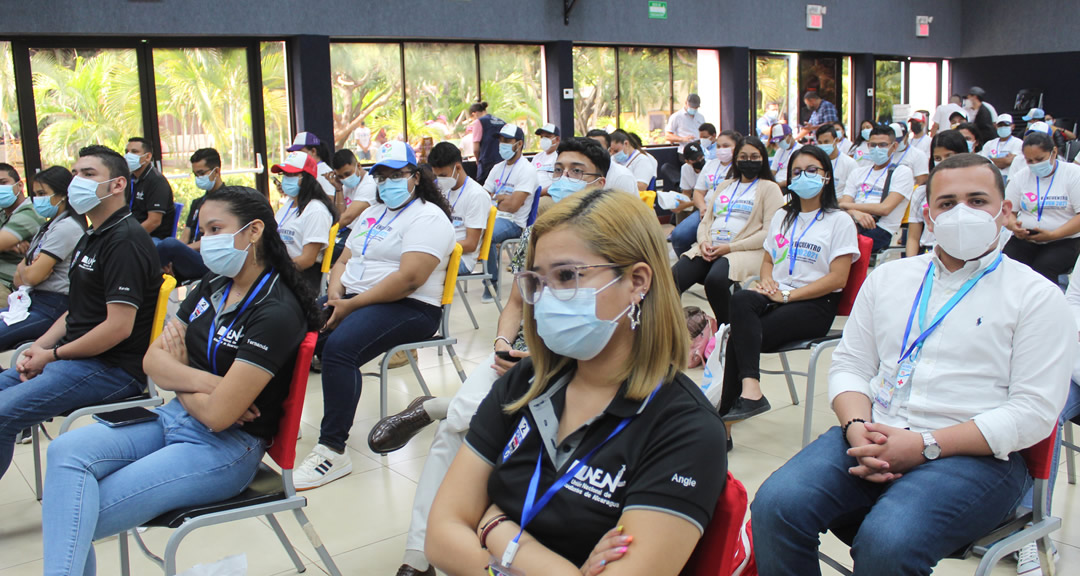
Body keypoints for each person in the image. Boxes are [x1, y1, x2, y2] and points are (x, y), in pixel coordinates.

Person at [751, 153, 1074, 576]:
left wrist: (924, 446)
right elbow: (850, 363)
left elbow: (1033, 413)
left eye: (978, 201)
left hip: (976, 457)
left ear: (1005, 210)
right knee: (775, 505)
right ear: (928, 215)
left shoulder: (1035, 296)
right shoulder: (891, 279)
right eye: (947, 203)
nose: (962, 213)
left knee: (888, 542)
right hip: (873, 430)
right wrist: (856, 427)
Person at [426, 188, 727, 576]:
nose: (548, 298)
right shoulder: (526, 382)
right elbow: (441, 536)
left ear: (637, 281)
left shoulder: (685, 428)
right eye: (539, 281)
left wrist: (495, 527)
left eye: (567, 276)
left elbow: (464, 530)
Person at [41, 185, 315, 576]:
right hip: (176, 420)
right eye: (202, 231)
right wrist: (208, 383)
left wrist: (183, 380)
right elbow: (153, 360)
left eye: (216, 228)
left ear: (254, 231)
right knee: (64, 452)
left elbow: (220, 418)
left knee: (74, 511)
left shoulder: (275, 309)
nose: (205, 241)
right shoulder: (214, 284)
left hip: (224, 448)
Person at [372, 137, 611, 576]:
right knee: (454, 436)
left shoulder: (615, 242)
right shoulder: (538, 233)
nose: (562, 180)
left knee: (461, 420)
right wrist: (502, 345)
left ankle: (437, 407)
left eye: (576, 172)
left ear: (600, 184)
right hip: (521, 353)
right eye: (558, 170)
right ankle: (417, 557)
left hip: (574, 356)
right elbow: (517, 306)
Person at [292, 142, 455, 490]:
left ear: (415, 176)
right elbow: (342, 261)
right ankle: (278, 423)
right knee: (290, 330)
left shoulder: (429, 217)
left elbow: (409, 279)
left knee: (339, 348)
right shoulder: (372, 213)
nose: (387, 183)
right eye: (381, 176)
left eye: (397, 175)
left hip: (410, 307)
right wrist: (336, 293)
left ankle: (332, 450)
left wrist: (352, 305)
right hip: (352, 299)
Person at [0, 145, 162, 481]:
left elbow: (117, 328)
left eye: (88, 175)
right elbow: (77, 307)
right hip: (76, 359)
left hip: (111, 369)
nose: (77, 182)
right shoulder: (93, 235)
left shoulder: (125, 240)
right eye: (75, 174)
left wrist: (53, 355)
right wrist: (40, 347)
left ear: (117, 185)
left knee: (3, 414)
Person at [719, 145, 859, 425]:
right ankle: (749, 393)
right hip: (777, 295)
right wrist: (768, 279)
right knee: (741, 300)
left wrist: (788, 295)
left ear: (827, 177)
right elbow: (768, 261)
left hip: (815, 304)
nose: (803, 176)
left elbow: (838, 279)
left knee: (740, 336)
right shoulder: (783, 216)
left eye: (812, 170)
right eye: (797, 171)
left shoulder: (840, 221)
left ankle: (725, 423)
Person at [672, 137, 783, 324]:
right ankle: (673, 333)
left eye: (754, 156)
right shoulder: (725, 185)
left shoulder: (769, 188)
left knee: (715, 281)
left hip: (745, 250)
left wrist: (730, 247)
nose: (748, 161)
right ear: (736, 159)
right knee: (672, 279)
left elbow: (769, 233)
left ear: (763, 159)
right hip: (710, 247)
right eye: (743, 156)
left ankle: (728, 332)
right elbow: (706, 221)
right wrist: (704, 242)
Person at [0, 167, 83, 350]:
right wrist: (29, 268)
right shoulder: (46, 227)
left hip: (53, 307)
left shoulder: (67, 227)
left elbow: (30, 277)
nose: (37, 200)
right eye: (36, 194)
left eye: (42, 194)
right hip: (30, 299)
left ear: (62, 195)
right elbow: (19, 277)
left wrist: (28, 268)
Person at [1003, 132, 1080, 282]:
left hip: (1065, 239)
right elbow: (1008, 212)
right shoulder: (1021, 177)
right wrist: (1014, 227)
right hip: (1027, 238)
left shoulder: (1074, 174)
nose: (1035, 165)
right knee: (1008, 265)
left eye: (1039, 159)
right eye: (1029, 161)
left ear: (1054, 152)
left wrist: (1054, 235)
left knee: (1043, 268)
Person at [482, 124, 538, 303]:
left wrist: (495, 199)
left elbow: (513, 206)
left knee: (487, 234)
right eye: (500, 141)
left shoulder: (527, 170)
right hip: (494, 216)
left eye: (507, 141)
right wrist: (501, 198)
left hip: (514, 222)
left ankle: (491, 283)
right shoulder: (497, 168)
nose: (502, 144)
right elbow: (483, 197)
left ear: (519, 144)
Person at [840, 125, 914, 253]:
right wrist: (855, 213)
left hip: (880, 228)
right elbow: (845, 203)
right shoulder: (858, 173)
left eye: (883, 145)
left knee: (843, 247)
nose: (877, 149)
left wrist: (848, 206)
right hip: (852, 222)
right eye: (873, 145)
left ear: (894, 146)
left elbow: (885, 208)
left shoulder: (901, 172)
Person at [270, 151, 337, 291]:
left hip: (302, 277)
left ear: (306, 178)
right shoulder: (287, 206)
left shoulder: (316, 210)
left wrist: (274, 272)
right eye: (285, 175)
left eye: (292, 175)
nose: (286, 180)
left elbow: (307, 260)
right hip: (283, 271)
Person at [669, 133, 741, 257]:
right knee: (679, 236)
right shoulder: (711, 165)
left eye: (726, 146)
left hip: (730, 211)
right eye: (718, 146)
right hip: (706, 211)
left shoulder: (741, 166)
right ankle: (693, 261)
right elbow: (698, 192)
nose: (721, 149)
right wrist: (702, 208)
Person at [156, 148, 220, 283]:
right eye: (195, 174)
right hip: (191, 257)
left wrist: (180, 249)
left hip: (209, 260)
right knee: (165, 247)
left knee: (168, 244)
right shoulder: (197, 203)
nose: (198, 178)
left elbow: (218, 238)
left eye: (201, 173)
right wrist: (175, 255)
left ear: (217, 171)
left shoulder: (227, 201)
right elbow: (186, 234)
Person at [906, 130, 969, 258]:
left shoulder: (974, 190)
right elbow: (913, 237)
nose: (943, 162)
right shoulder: (922, 192)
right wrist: (911, 263)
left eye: (949, 156)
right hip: (928, 253)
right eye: (937, 158)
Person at [430, 142, 489, 274]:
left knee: (415, 268)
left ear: (458, 168)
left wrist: (438, 247)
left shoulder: (476, 195)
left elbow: (471, 244)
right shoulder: (444, 189)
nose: (439, 180)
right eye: (436, 176)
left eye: (443, 175)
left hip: (460, 258)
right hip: (441, 251)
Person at [0, 164, 45, 300]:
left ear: (20, 185)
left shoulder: (30, 214)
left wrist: (4, 243)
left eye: (3, 182)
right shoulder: (3, 213)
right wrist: (8, 244)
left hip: (10, 285)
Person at [123, 137, 176, 242]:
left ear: (147, 157)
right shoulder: (130, 178)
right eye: (127, 152)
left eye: (134, 152)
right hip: (131, 230)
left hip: (153, 237)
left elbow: (154, 222)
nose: (128, 155)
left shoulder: (157, 181)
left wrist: (128, 239)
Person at [330, 148, 377, 229]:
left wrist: (325, 232)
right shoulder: (345, 185)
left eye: (347, 174)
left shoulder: (369, 185)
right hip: (347, 230)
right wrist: (338, 189)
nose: (345, 179)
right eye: (340, 176)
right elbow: (340, 215)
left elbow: (347, 218)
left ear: (358, 166)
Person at [586, 129, 638, 195]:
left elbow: (625, 204)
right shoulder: (581, 173)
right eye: (589, 147)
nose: (592, 152)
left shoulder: (622, 176)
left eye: (598, 148)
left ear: (610, 151)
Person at [287, 131, 337, 199]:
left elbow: (332, 199)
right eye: (295, 153)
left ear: (313, 151)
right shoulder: (308, 171)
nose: (297, 155)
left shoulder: (325, 172)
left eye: (300, 152)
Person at [469, 101, 507, 184]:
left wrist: (477, 160)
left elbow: (476, 149)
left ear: (474, 114)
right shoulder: (502, 122)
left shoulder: (479, 122)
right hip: (503, 163)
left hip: (487, 165)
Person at [816, 124, 858, 195]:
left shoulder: (850, 163)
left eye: (826, 142)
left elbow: (853, 191)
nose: (823, 145)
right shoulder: (815, 162)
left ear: (836, 141)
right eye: (820, 143)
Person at [886, 122, 930, 187]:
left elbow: (922, 182)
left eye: (897, 140)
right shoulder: (885, 152)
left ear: (906, 136)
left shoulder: (918, 155)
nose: (895, 144)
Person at [768, 123, 802, 188]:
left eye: (781, 140)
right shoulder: (779, 151)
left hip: (789, 185)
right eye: (777, 141)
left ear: (789, 136)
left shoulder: (800, 150)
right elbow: (773, 170)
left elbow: (798, 176)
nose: (778, 143)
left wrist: (779, 185)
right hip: (776, 184)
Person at [531, 123, 561, 195]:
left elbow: (559, 185)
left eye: (547, 137)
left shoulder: (560, 157)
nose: (544, 140)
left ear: (557, 139)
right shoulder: (537, 157)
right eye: (542, 137)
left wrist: (537, 193)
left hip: (548, 195)